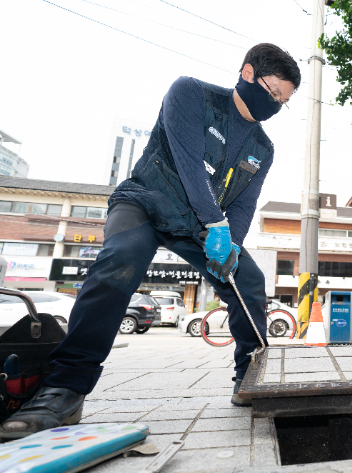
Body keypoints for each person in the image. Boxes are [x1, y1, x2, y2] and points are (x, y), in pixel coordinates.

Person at [0, 43, 300, 439]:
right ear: (247, 74)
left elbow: (244, 203)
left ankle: (250, 377)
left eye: (283, 101)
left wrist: (231, 245)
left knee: (247, 279)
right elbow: (189, 163)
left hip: (198, 224)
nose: (275, 104)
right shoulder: (191, 93)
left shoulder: (263, 147)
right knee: (120, 260)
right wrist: (215, 222)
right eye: (274, 92)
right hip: (145, 202)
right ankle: (65, 387)